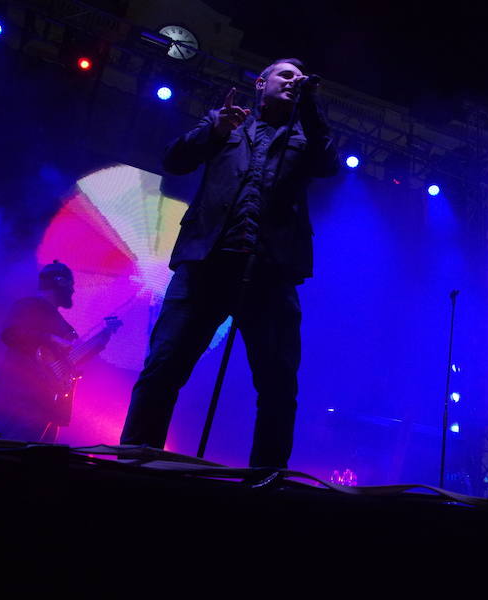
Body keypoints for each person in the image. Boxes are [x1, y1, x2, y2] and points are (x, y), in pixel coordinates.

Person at [120, 58, 339, 467]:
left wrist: (310, 103)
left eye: (299, 78)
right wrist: (213, 129)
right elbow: (174, 160)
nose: (294, 82)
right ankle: (135, 460)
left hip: (271, 270)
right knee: (164, 365)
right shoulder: (226, 123)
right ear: (261, 83)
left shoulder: (306, 132)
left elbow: (329, 164)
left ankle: (266, 476)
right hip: (206, 262)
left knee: (277, 381)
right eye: (286, 75)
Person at [0, 261, 78, 442]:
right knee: (12, 455)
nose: (73, 291)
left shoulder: (60, 320)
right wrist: (51, 338)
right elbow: (11, 334)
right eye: (71, 285)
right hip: (19, 400)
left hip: (47, 403)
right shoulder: (30, 305)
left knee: (37, 461)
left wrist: (102, 339)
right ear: (59, 282)